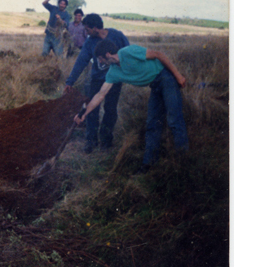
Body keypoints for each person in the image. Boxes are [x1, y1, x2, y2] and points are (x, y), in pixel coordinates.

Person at [74, 40, 189, 174]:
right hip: (155, 86)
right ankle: (149, 164)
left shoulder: (128, 52)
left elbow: (158, 54)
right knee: (152, 125)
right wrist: (84, 114)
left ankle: (183, 163)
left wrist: (178, 76)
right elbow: (100, 95)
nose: (100, 62)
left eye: (100, 59)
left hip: (166, 78)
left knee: (174, 120)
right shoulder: (113, 72)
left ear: (107, 54)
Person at [64, 13, 130, 153]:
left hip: (115, 80)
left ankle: (106, 140)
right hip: (97, 79)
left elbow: (128, 53)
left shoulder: (117, 36)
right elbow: (81, 61)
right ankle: (90, 141)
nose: (86, 32)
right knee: (92, 108)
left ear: (95, 28)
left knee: (110, 110)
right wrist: (70, 81)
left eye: (87, 29)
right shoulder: (89, 42)